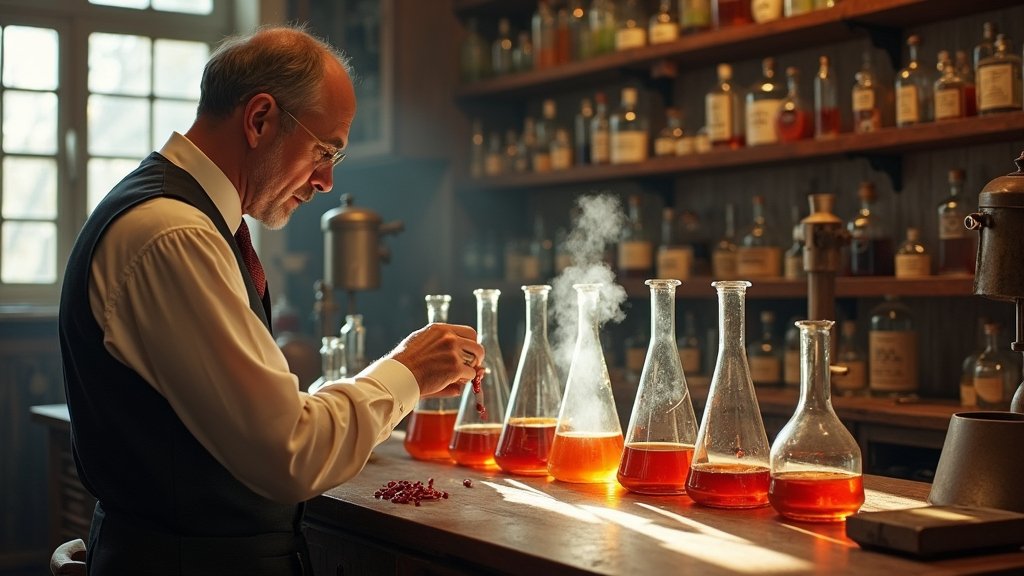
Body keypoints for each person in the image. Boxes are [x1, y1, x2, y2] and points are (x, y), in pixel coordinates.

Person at [58, 24, 483, 576]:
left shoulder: (189, 220)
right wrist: (408, 372)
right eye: (324, 150)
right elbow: (290, 452)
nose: (327, 180)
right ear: (259, 120)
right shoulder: (175, 234)